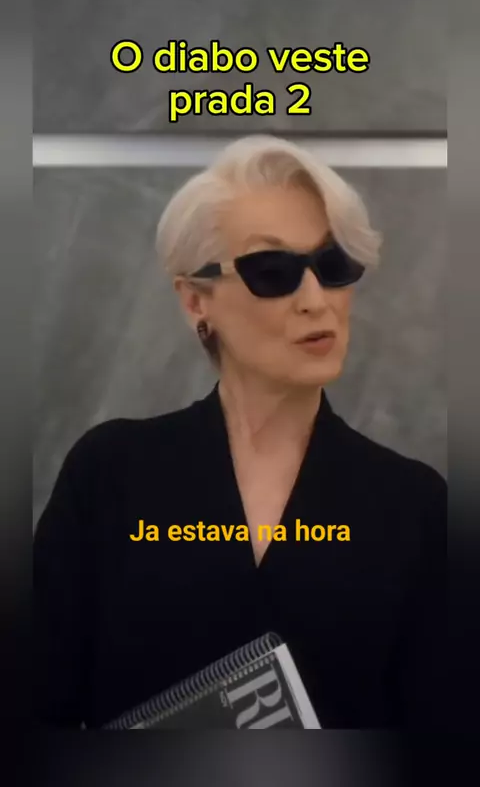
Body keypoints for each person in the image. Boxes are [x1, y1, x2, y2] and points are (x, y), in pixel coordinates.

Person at [34, 135, 446, 728]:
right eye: (272, 271)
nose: (315, 301)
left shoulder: (414, 505)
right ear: (195, 301)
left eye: (333, 266)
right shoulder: (110, 476)